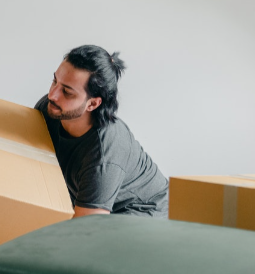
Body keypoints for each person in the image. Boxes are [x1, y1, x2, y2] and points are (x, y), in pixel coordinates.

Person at [34, 45, 168, 218]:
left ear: (93, 104)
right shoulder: (50, 109)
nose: (52, 95)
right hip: (98, 203)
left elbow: (87, 229)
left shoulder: (103, 155)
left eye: (67, 92)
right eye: (54, 81)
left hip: (144, 212)